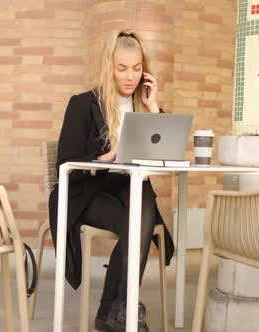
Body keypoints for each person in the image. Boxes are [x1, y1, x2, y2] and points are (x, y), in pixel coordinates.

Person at [48, 30, 174, 332]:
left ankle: (117, 309)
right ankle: (118, 309)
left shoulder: (144, 105)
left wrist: (154, 107)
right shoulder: (82, 104)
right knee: (138, 221)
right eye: (122, 68)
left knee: (144, 201)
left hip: (128, 189)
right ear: (109, 66)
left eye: (136, 68)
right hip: (88, 192)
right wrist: (107, 157)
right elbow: (64, 164)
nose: (130, 76)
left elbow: (159, 155)